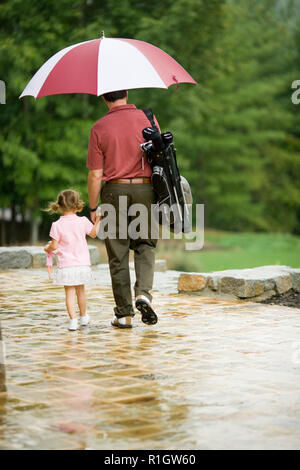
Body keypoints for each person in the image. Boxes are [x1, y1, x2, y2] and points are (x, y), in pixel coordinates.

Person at [87, 90, 159, 329]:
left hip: (113, 192)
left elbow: (96, 174)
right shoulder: (148, 118)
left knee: (117, 254)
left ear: (103, 97)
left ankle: (124, 314)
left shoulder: (99, 127)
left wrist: (93, 206)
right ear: (127, 93)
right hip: (145, 189)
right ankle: (143, 295)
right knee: (145, 244)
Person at [44, 189, 101, 331]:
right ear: (77, 205)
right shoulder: (82, 221)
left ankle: (73, 321)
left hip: (66, 265)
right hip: (82, 264)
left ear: (60, 206)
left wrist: (47, 248)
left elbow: (55, 245)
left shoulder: (56, 225)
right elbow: (93, 234)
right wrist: (99, 220)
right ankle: (83, 317)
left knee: (69, 293)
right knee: (81, 291)